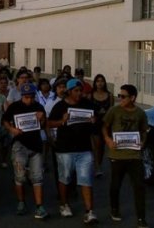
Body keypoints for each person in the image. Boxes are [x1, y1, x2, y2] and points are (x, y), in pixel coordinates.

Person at [48, 79, 98, 224]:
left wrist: (95, 120)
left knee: (86, 179)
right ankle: (64, 204)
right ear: (69, 91)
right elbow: (49, 123)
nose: (79, 93)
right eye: (76, 90)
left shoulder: (88, 104)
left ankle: (89, 211)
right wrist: (61, 121)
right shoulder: (60, 106)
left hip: (84, 148)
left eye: (80, 90)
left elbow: (98, 119)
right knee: (65, 178)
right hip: (65, 149)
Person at [102, 84, 148, 228]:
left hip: (134, 155)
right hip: (117, 154)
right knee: (115, 185)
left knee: (139, 186)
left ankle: (141, 218)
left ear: (132, 98)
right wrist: (108, 140)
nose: (120, 98)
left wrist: (142, 142)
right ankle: (114, 209)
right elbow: (104, 127)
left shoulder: (140, 113)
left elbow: (144, 130)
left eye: (123, 96)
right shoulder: (114, 111)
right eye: (119, 95)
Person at [2, 83, 49, 220]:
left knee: (37, 176)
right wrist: (12, 130)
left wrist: (43, 118)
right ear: (22, 96)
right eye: (26, 97)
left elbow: (44, 125)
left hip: (35, 145)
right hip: (19, 145)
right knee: (20, 176)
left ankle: (39, 205)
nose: (29, 99)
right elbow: (5, 120)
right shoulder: (14, 106)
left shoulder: (39, 107)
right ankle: (21, 202)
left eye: (31, 97)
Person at [91, 74, 114, 178]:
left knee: (103, 147)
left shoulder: (109, 95)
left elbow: (112, 109)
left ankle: (99, 164)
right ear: (95, 83)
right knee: (97, 146)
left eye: (102, 81)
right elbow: (88, 109)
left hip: (106, 123)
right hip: (95, 123)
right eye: (98, 81)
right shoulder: (90, 95)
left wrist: (107, 113)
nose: (100, 83)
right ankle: (97, 167)